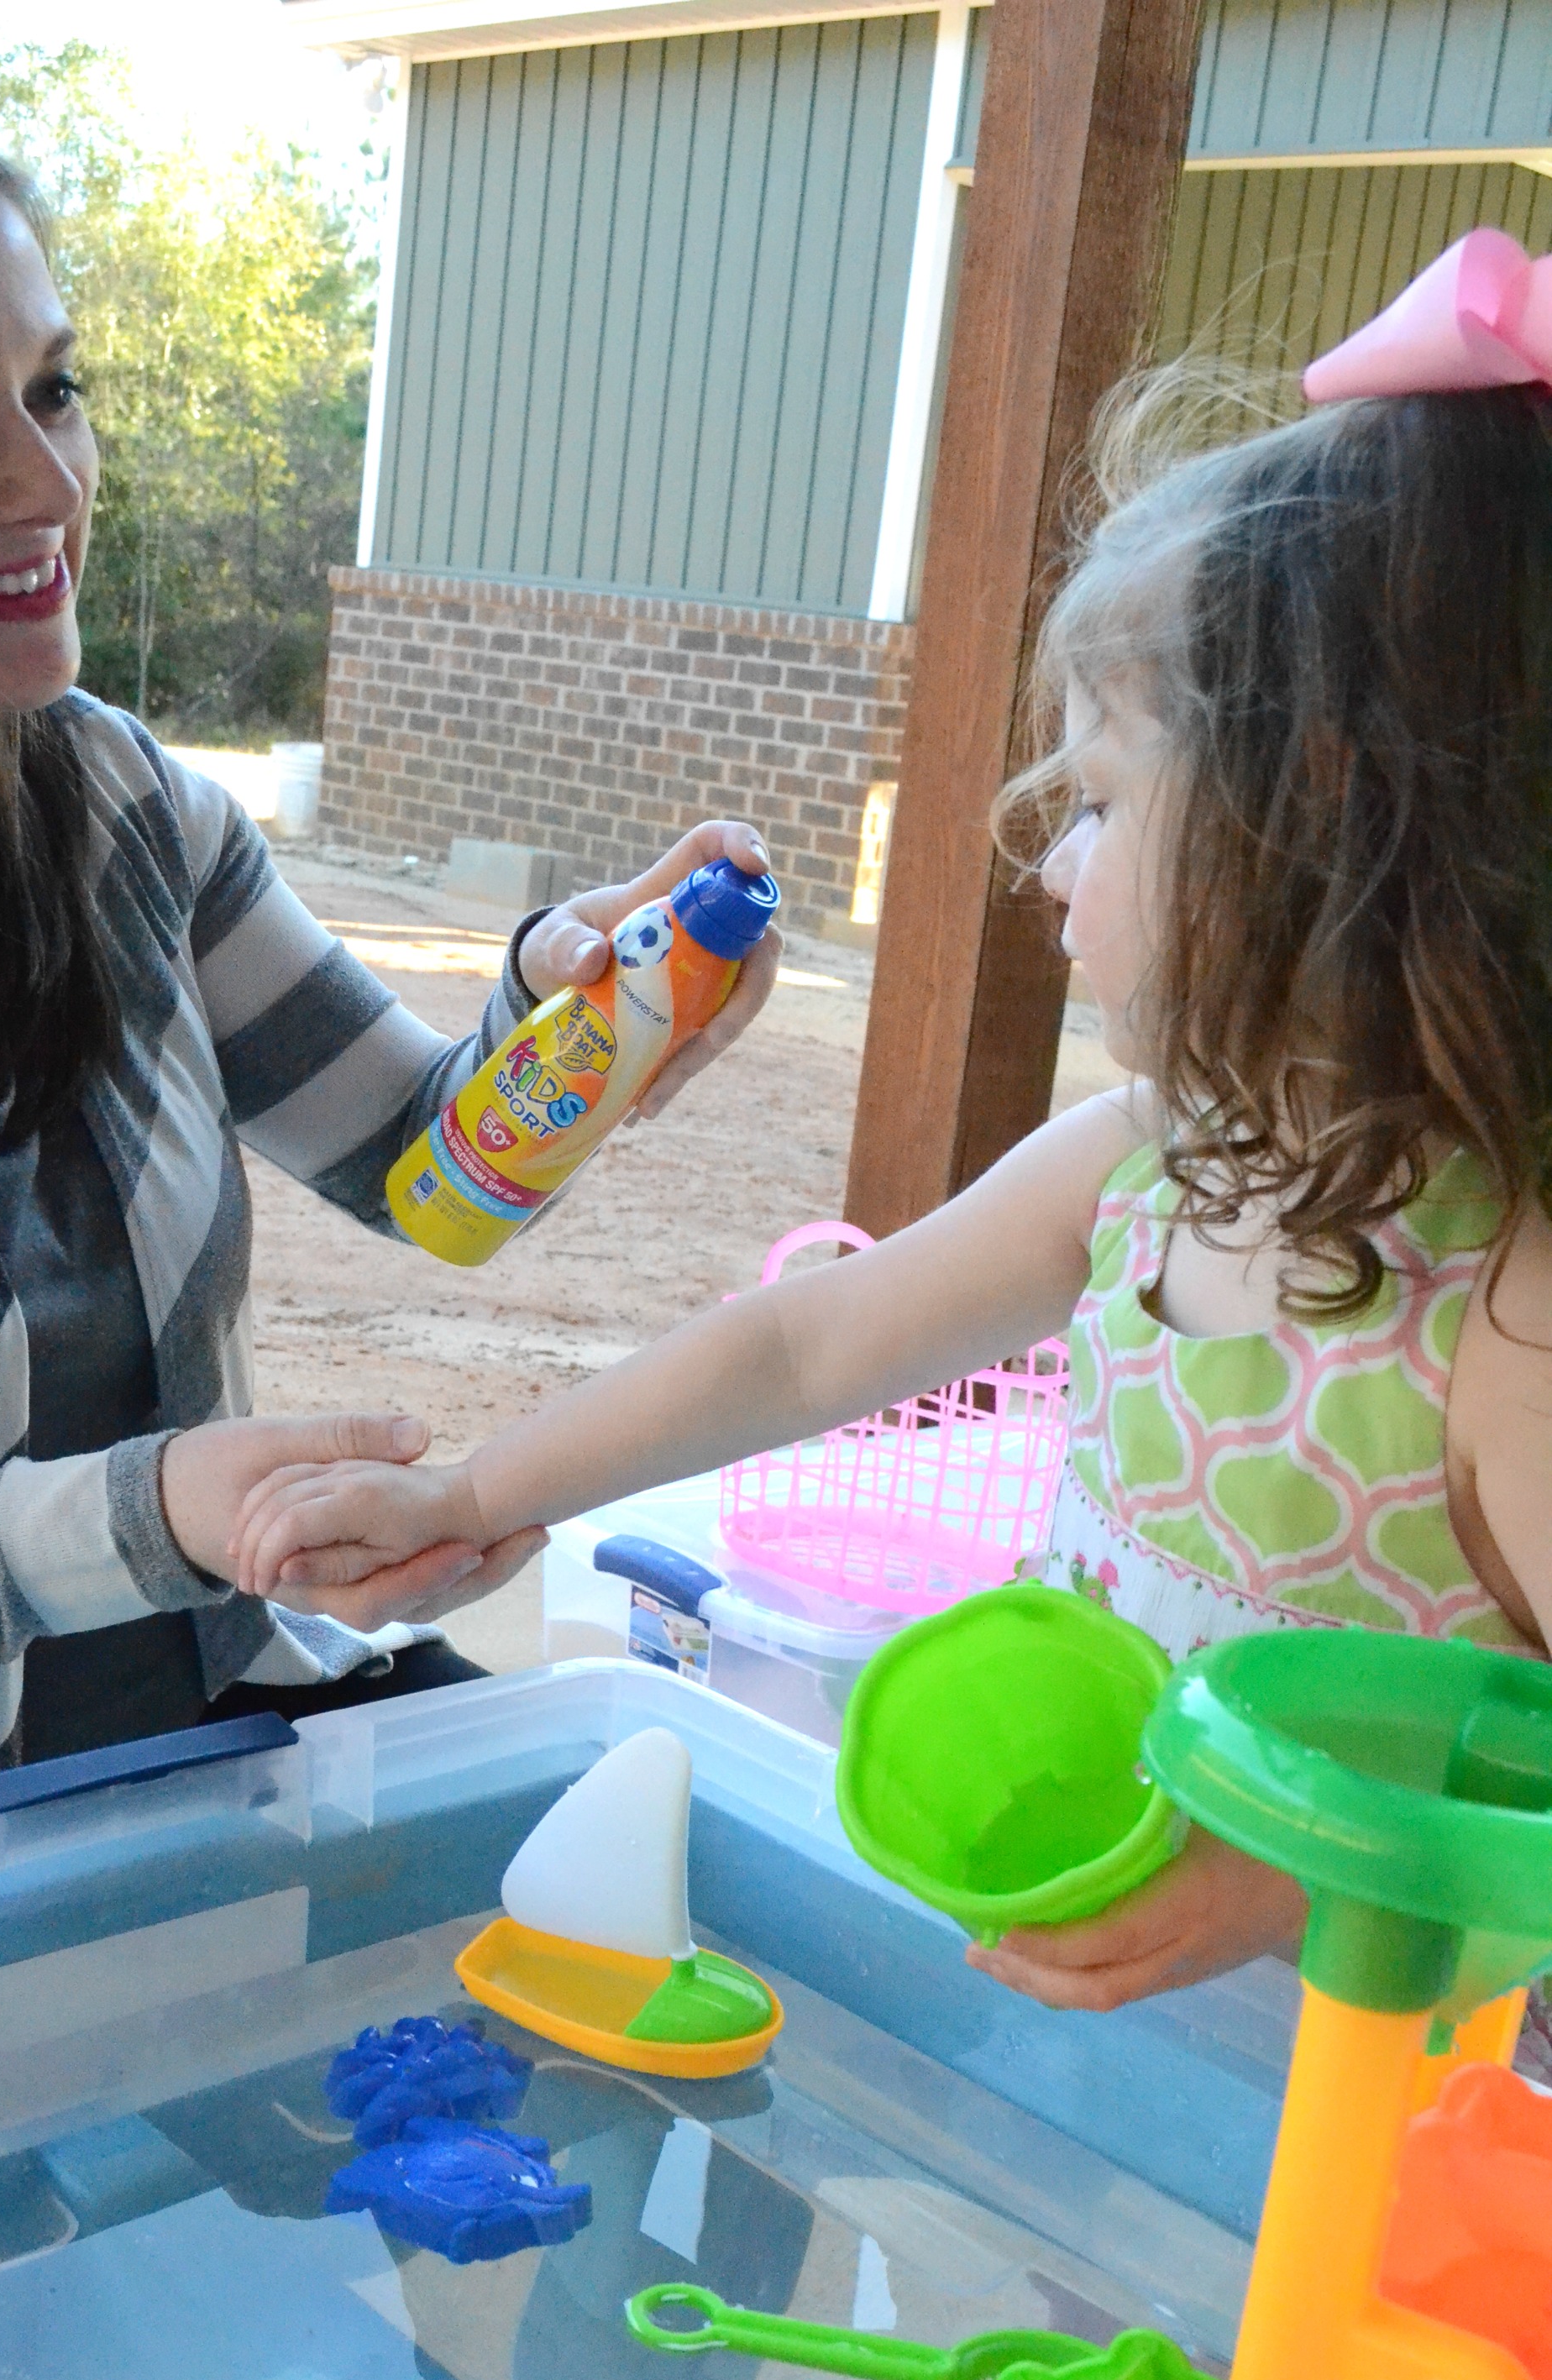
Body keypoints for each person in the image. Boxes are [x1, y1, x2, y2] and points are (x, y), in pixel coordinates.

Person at [223, 259, 1552, 2016]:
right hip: (1065, 2032)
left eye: (1097, 800)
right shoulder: (1151, 1160)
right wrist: (474, 1497)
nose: (1049, 866)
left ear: (1304, 805)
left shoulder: (1504, 1306)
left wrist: (1294, 1892)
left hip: (1350, 2126)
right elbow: (801, 1342)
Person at [0, 55, 776, 1845]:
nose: (45, 484)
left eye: (55, 391)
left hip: (203, 1763)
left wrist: (583, 1023)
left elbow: (436, 1177)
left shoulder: (121, 810)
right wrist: (152, 1514)